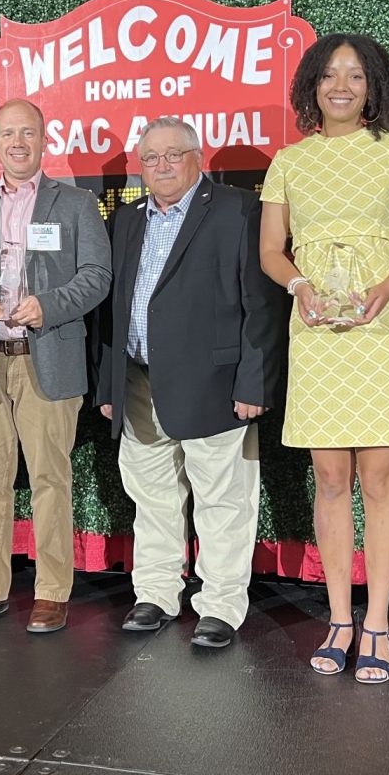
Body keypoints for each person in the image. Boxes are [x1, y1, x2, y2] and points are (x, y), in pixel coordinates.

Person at [260, 34, 389, 682]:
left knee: (380, 478)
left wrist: (385, 290)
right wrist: (300, 287)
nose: (342, 85)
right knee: (331, 478)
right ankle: (339, 619)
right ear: (311, 85)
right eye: (330, 75)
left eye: (356, 76)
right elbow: (271, 251)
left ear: (373, 87)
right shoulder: (289, 162)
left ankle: (377, 624)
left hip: (381, 326)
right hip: (316, 331)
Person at [94, 117, 285, 648]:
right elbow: (115, 307)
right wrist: (109, 385)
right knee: (151, 495)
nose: (161, 167)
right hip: (137, 382)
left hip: (216, 383)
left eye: (172, 155)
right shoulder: (129, 219)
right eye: (150, 158)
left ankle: (221, 604)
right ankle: (155, 593)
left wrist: (255, 382)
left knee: (223, 499)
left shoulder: (236, 210)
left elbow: (261, 305)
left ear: (198, 158)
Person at [0, 98, 111, 634]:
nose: (17, 142)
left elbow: (97, 274)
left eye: (27, 133)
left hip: (47, 356)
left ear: (42, 139)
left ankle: (53, 590)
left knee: (51, 479)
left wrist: (50, 305)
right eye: (7, 133)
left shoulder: (76, 203)